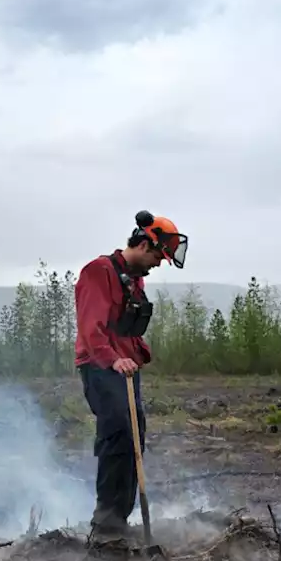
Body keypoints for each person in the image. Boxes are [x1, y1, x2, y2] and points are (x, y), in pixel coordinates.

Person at [74, 210, 188, 543]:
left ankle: (119, 522)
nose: (158, 264)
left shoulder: (134, 278)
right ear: (142, 243)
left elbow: (123, 327)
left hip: (124, 366)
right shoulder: (98, 272)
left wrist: (139, 351)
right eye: (157, 255)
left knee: (135, 433)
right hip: (99, 365)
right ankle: (105, 528)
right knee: (118, 433)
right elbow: (91, 328)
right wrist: (113, 359)